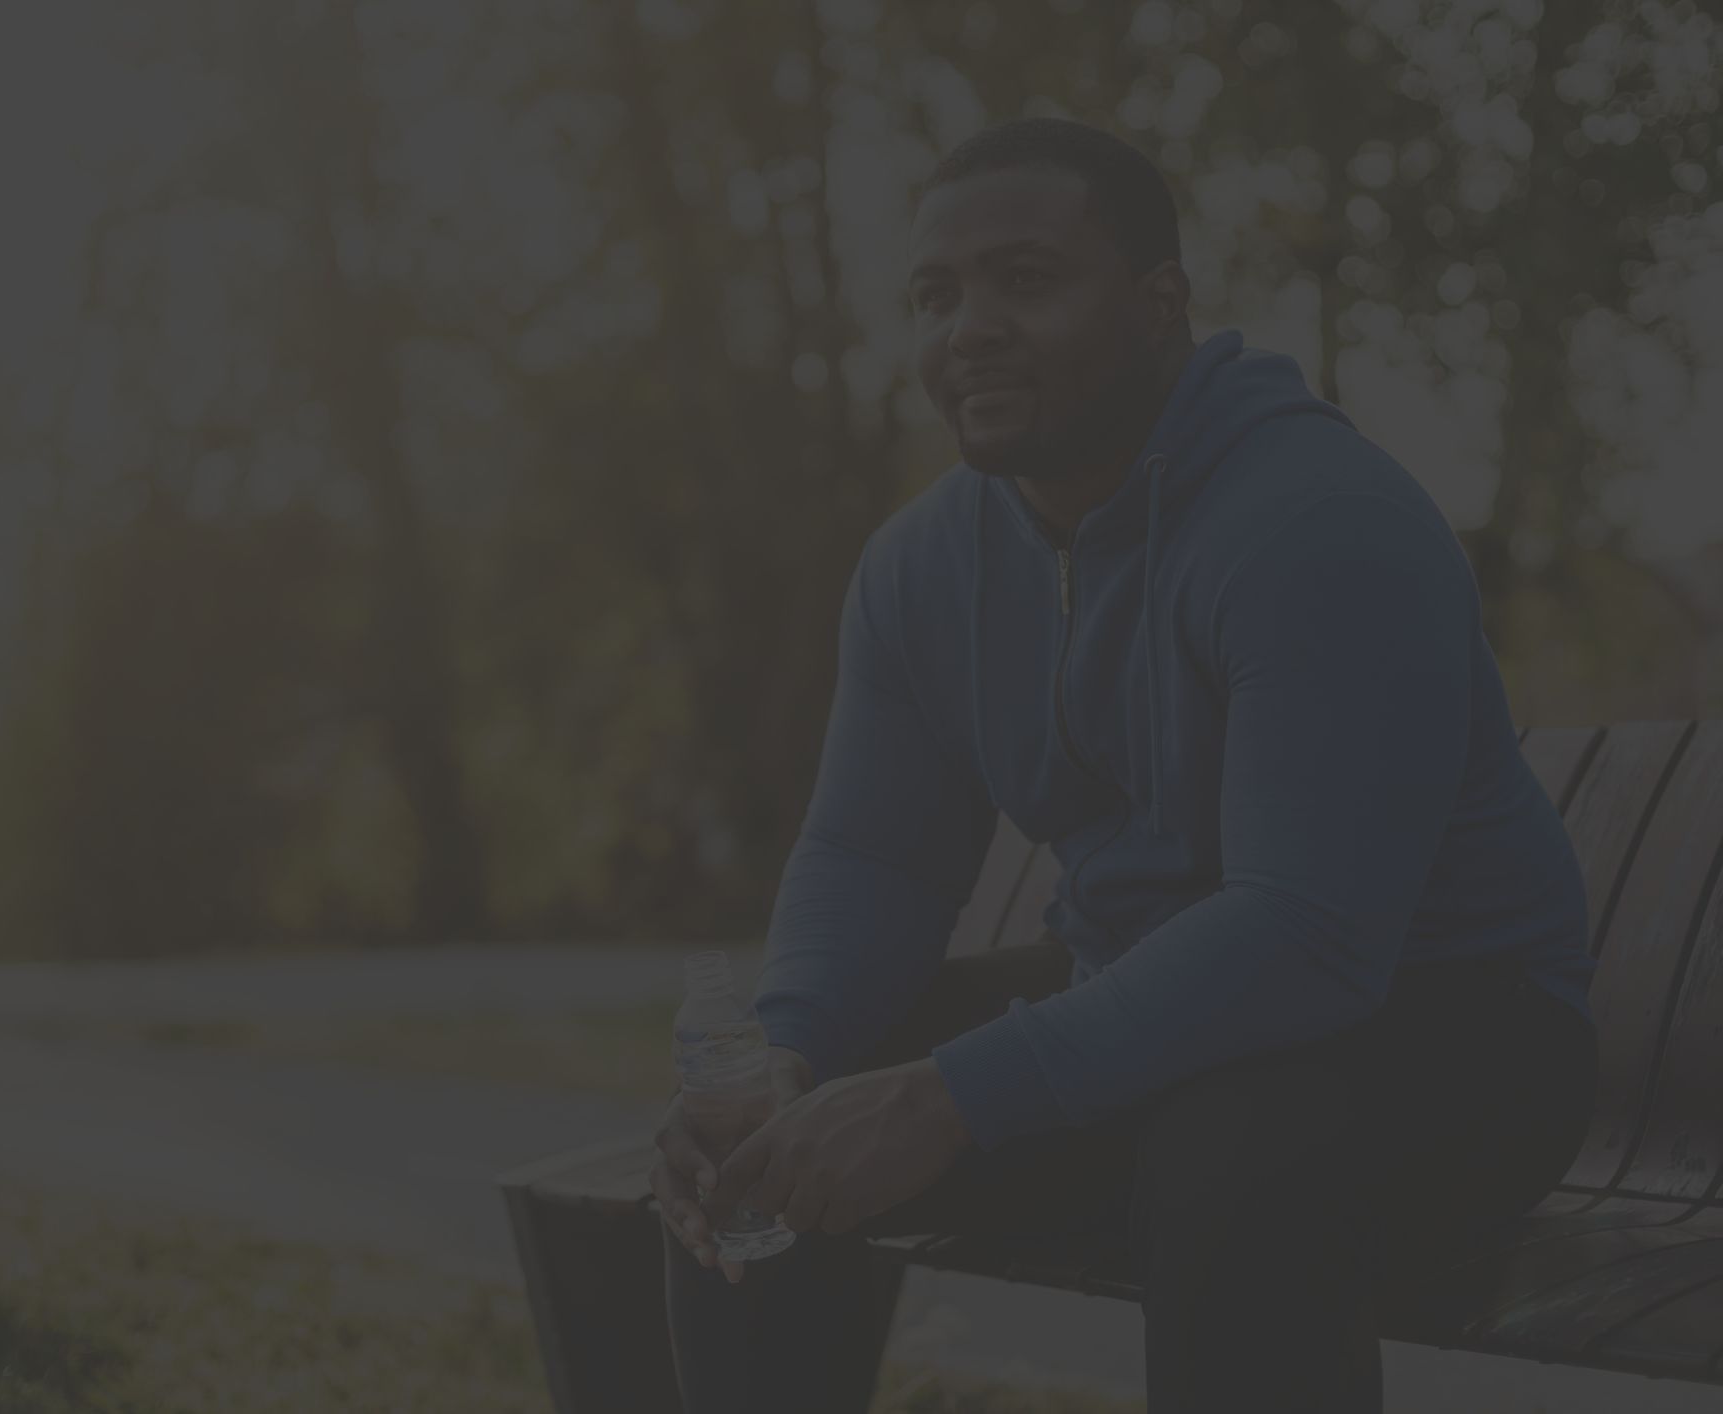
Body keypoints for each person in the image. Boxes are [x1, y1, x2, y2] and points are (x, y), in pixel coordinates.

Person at [648, 115, 1599, 1413]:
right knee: (750, 1140)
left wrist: (952, 1096)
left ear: (1160, 305)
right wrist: (792, 1052)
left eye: (1024, 280)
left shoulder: (1316, 521)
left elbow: (1306, 932)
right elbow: (873, 853)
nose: (967, 325)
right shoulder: (923, 565)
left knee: (1233, 1160)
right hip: (1157, 993)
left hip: (1447, 1019)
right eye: (936, 293)